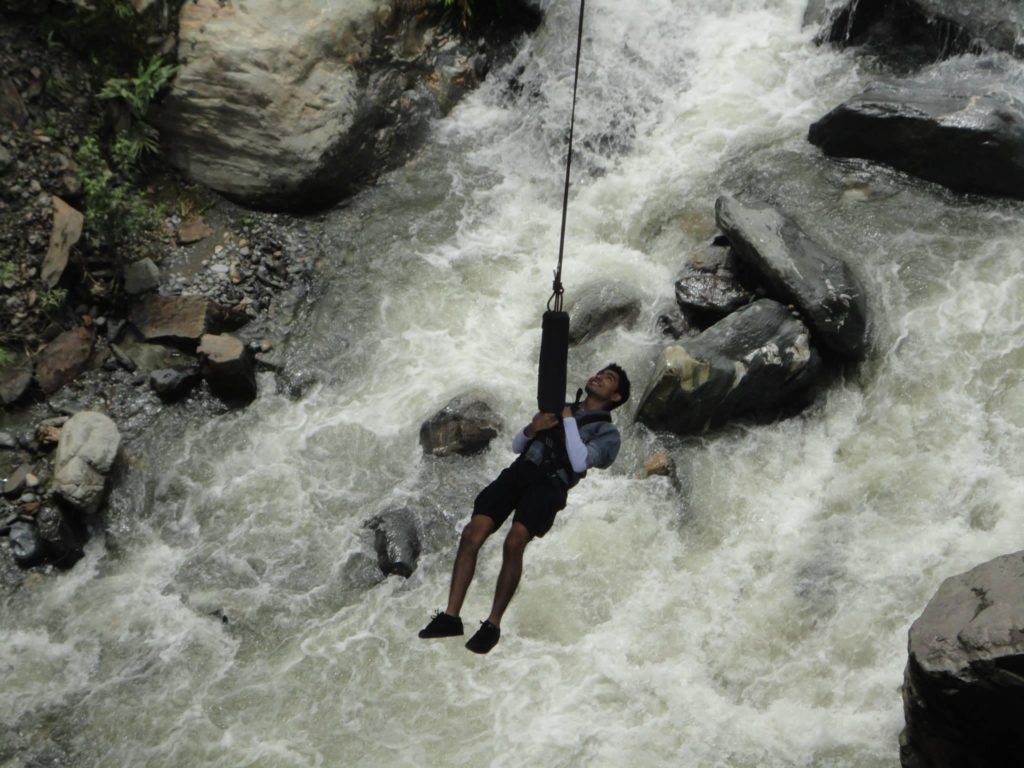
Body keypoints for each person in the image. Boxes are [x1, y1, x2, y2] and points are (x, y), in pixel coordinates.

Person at [418, 363, 630, 654]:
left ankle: (492, 624)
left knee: (514, 541)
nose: (599, 377)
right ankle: (450, 616)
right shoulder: (557, 408)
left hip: (549, 485)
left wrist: (567, 420)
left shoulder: (607, 433)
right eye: (600, 373)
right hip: (520, 472)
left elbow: (580, 462)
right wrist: (534, 427)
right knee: (471, 534)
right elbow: (519, 445)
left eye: (609, 379)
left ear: (616, 397)